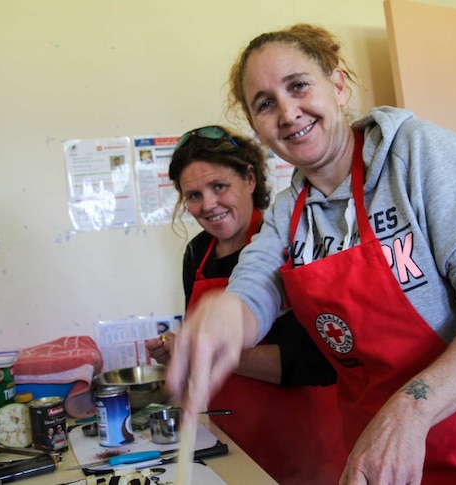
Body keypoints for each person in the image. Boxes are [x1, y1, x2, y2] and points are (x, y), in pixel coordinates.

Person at [165, 24, 456, 485]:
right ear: (256, 126)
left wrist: (411, 412)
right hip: (376, 455)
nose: (288, 113)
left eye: (298, 86)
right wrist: (223, 322)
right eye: (266, 103)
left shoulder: (419, 155)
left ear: (337, 85)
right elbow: (253, 290)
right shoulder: (290, 213)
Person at [144, 125, 346, 484]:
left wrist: (211, 352)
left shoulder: (289, 243)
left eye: (218, 186)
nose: (207, 205)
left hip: (305, 446)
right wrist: (181, 349)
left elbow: (315, 364)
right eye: (193, 195)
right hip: (230, 441)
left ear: (249, 178)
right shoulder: (197, 253)